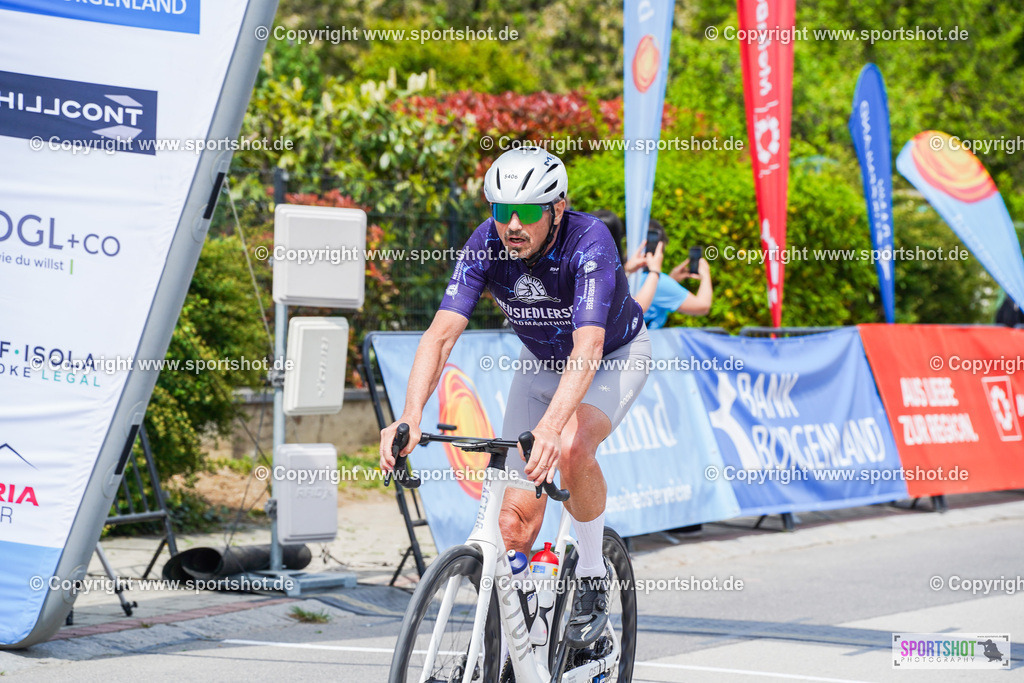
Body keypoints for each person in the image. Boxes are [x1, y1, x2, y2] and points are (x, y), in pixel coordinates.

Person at [379, 147, 652, 648]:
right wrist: (410, 415)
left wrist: (551, 427)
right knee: (512, 524)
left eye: (527, 212)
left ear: (558, 208)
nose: (513, 225)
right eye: (502, 210)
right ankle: (526, 636)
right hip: (541, 364)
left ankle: (591, 576)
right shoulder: (486, 244)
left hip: (611, 356)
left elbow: (588, 346)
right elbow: (440, 335)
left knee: (570, 447)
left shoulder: (590, 241)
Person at [622, 218, 713, 328]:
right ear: (659, 248)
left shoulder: (622, 274)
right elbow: (703, 307)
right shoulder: (660, 283)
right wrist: (706, 274)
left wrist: (671, 280)